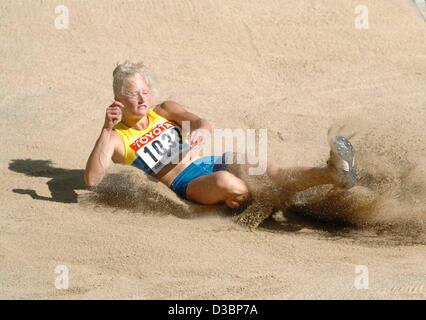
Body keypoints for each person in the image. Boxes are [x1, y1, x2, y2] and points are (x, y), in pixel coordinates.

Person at [85, 61, 356, 213]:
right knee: (230, 183)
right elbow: (92, 179)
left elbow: (201, 121)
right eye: (133, 93)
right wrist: (106, 129)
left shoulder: (164, 110)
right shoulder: (117, 137)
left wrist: (202, 129)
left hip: (212, 162)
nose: (142, 98)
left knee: (264, 168)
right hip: (187, 182)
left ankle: (333, 174)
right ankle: (286, 201)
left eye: (144, 91)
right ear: (119, 98)